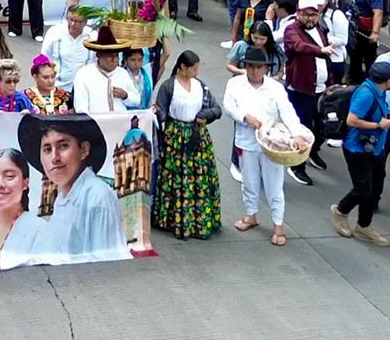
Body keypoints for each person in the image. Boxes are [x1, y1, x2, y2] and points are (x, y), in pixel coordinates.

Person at [223, 46, 306, 246]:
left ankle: (278, 224)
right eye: (251, 66)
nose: (254, 71)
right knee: (249, 182)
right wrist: (244, 116)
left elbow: (288, 112)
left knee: (274, 186)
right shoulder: (235, 84)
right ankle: (251, 215)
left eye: (259, 67)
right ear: (245, 66)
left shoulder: (275, 88)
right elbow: (228, 106)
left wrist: (297, 135)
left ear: (265, 68)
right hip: (246, 141)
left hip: (272, 145)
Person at [17, 114, 129, 261]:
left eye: (63, 146)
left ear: (83, 150)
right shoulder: (62, 198)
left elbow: (106, 263)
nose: (54, 158)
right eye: (47, 149)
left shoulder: (97, 198)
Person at [152, 50, 222, 239]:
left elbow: (216, 109)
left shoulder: (201, 86)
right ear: (183, 68)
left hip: (197, 136)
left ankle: (198, 221)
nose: (197, 72)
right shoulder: (169, 87)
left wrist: (205, 116)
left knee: (199, 178)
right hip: (176, 137)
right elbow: (161, 111)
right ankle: (175, 220)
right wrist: (155, 113)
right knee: (176, 178)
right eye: (194, 68)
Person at [331, 61, 390, 245]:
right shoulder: (366, 94)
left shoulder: (378, 91)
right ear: (386, 81)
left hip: (374, 148)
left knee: (373, 188)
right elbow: (352, 120)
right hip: (357, 149)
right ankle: (340, 210)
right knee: (363, 189)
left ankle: (364, 226)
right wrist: (378, 125)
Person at [282, 0, 335, 185]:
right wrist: (321, 50)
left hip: (321, 88)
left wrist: (331, 83)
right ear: (298, 14)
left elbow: (326, 56)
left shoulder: (320, 29)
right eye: (306, 15)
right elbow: (299, 46)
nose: (310, 18)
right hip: (301, 88)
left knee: (324, 126)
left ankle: (312, 152)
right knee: (304, 128)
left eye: (314, 14)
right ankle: (297, 166)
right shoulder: (291, 30)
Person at [72, 27, 137, 113]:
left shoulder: (122, 73)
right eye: (110, 56)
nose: (114, 60)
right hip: (95, 123)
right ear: (99, 55)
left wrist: (125, 95)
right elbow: (81, 108)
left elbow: (137, 100)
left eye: (116, 55)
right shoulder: (84, 74)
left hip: (121, 122)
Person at [40, 8, 95, 98]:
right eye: (71, 20)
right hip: (58, 89)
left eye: (77, 21)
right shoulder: (54, 32)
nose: (73, 24)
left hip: (85, 90)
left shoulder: (92, 36)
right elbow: (43, 58)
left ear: (85, 22)